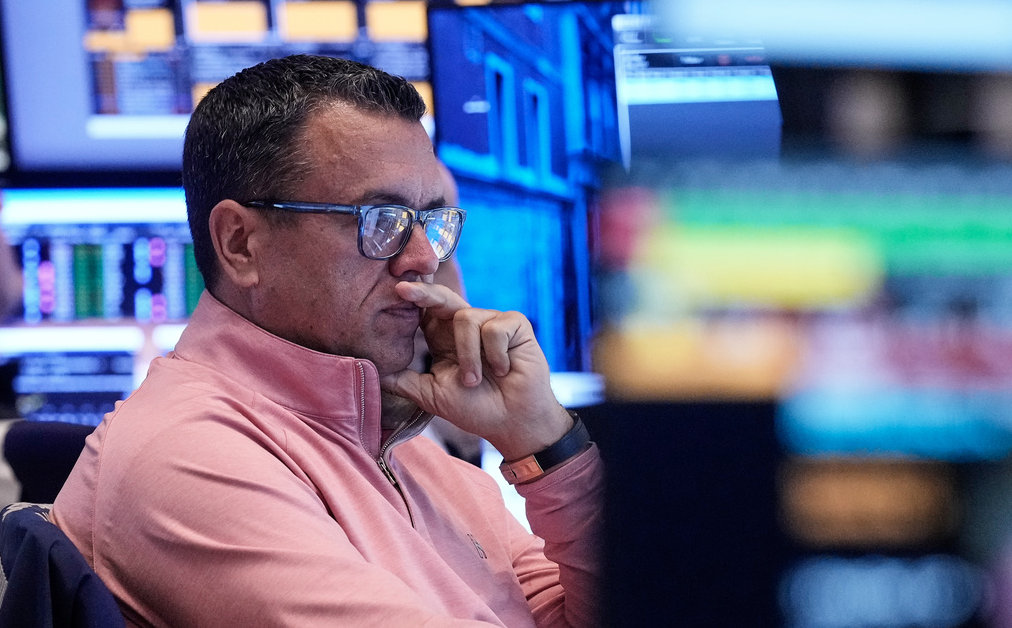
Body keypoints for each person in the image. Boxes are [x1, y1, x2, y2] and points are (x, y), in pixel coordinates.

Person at [52, 55, 602, 627]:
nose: (424, 259)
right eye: (380, 219)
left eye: (432, 222)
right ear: (240, 243)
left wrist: (544, 440)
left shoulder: (396, 445)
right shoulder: (187, 458)